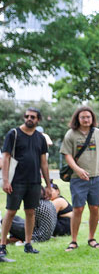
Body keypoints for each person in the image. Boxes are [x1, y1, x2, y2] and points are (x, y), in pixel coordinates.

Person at [0, 108, 52, 262]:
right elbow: (6, 157)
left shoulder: (40, 138)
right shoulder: (14, 134)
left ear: (38, 120)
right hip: (16, 181)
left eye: (33, 117)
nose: (29, 118)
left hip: (34, 181)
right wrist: (6, 180)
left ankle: (28, 244)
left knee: (31, 212)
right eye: (27, 116)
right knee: (11, 212)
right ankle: (2, 245)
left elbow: (44, 162)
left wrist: (48, 185)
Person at [60, 106, 99, 251]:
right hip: (77, 178)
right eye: (82, 117)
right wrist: (77, 169)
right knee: (78, 209)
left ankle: (91, 238)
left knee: (95, 208)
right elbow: (67, 155)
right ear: (77, 118)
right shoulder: (71, 134)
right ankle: (73, 240)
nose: (86, 119)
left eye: (88, 117)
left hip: (96, 177)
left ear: (92, 118)